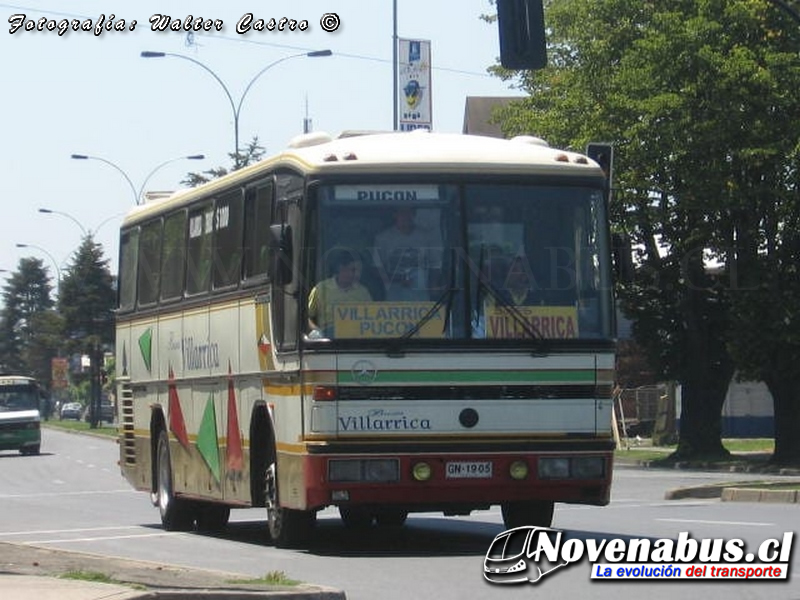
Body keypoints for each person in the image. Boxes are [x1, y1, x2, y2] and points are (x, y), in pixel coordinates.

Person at [372, 206, 442, 301]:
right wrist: (398, 279)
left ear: (414, 214)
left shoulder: (426, 237)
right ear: (395, 215)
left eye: (409, 213)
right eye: (402, 213)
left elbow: (435, 265)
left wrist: (434, 285)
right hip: (394, 296)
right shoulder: (382, 239)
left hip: (421, 296)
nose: (405, 216)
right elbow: (377, 269)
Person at [307, 249, 372, 336]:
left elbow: (371, 319)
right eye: (353, 270)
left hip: (356, 338)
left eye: (359, 271)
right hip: (328, 341)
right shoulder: (321, 289)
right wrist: (317, 332)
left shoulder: (363, 292)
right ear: (341, 268)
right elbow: (307, 317)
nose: (357, 274)